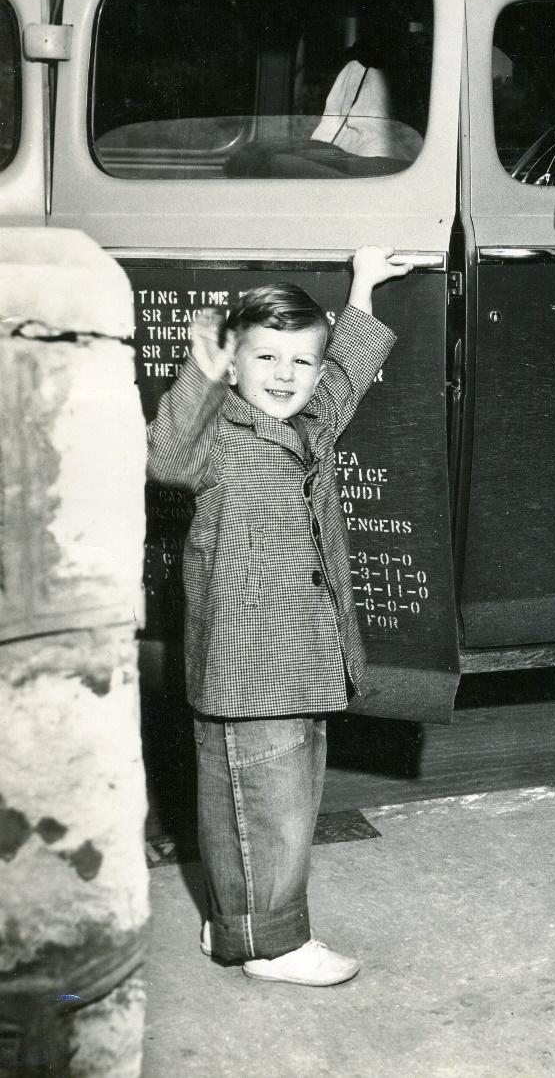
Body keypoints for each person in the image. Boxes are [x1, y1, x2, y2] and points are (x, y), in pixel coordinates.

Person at [147, 247, 410, 982]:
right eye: (266, 357)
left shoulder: (309, 421)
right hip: (247, 662)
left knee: (246, 801)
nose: (286, 375)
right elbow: (165, 454)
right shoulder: (214, 440)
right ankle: (274, 944)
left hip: (300, 654)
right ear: (233, 364)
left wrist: (363, 285)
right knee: (273, 805)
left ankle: (236, 925)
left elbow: (347, 374)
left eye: (302, 360)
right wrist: (198, 371)